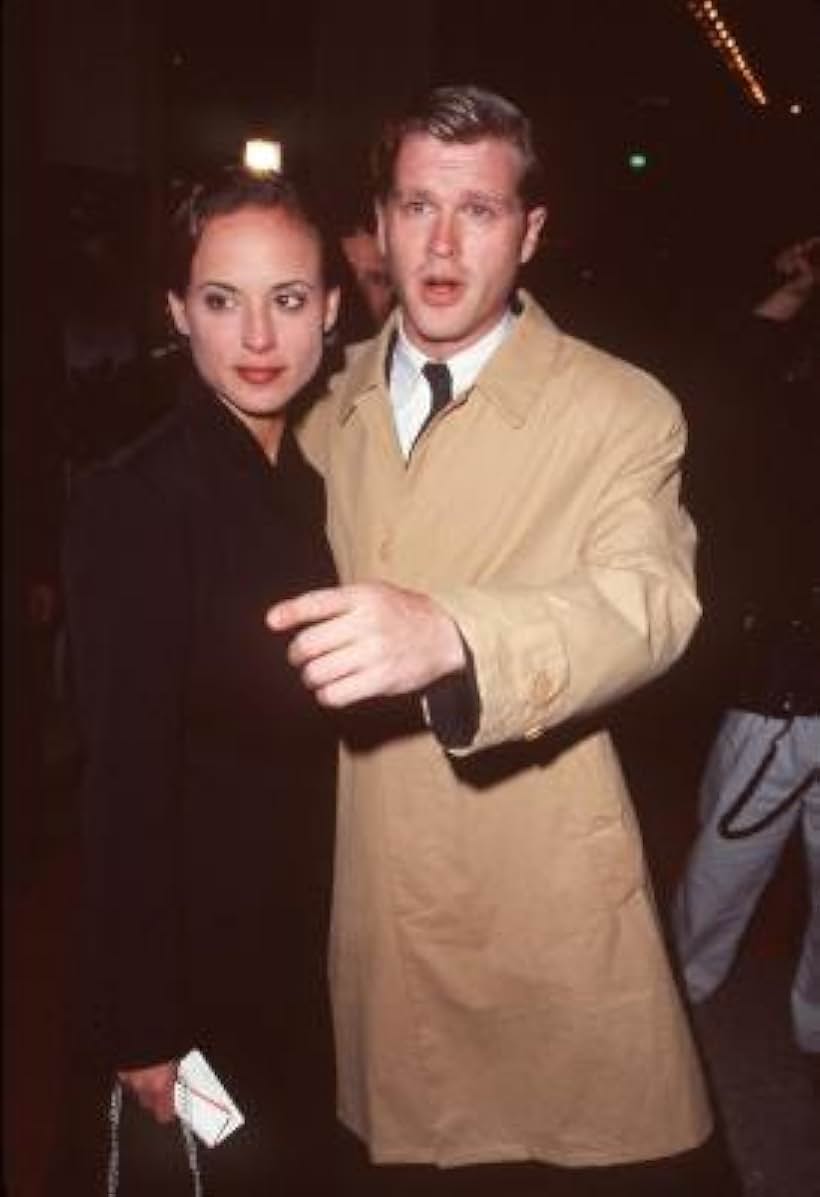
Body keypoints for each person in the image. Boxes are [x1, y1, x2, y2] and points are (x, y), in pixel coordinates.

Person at [268, 86, 739, 1194]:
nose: (439, 244)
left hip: (527, 874)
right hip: (350, 870)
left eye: (476, 212)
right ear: (376, 223)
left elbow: (648, 598)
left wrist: (454, 635)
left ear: (529, 233)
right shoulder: (319, 399)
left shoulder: (620, 410)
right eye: (416, 206)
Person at [59, 168, 341, 1195]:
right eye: (222, 300)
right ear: (178, 312)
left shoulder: (311, 485)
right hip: (195, 966)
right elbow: (121, 786)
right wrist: (143, 1025)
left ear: (334, 309)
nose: (258, 337)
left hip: (301, 940)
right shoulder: (135, 500)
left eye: (289, 298)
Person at [671, 235, 820, 1064]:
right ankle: (675, 1005)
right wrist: (795, 294)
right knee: (729, 855)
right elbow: (725, 385)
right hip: (786, 681)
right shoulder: (790, 405)